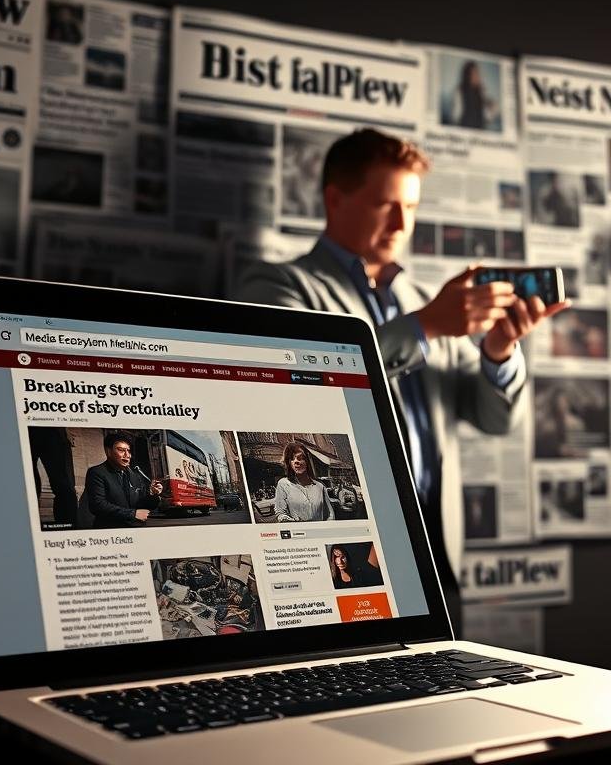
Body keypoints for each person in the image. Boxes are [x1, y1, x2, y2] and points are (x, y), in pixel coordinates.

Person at [232, 128, 567, 629]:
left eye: (410, 206)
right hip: (346, 538)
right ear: (335, 199)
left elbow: (494, 421)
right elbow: (292, 386)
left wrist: (499, 350)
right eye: (384, 204)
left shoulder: (428, 298)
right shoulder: (279, 284)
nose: (401, 222)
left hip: (436, 544)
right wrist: (427, 325)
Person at [82, 432, 163, 529]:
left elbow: (142, 503)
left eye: (128, 451)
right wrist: (133, 514)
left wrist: (154, 495)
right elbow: (98, 505)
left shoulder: (135, 476)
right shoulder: (97, 472)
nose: (127, 455)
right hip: (111, 531)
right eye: (121, 450)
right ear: (108, 451)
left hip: (136, 529)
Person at [273, 442, 336, 522]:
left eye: (300, 458)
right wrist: (285, 519)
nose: (296, 462)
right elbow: (280, 513)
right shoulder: (283, 484)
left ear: (307, 461)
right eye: (292, 459)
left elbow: (330, 515)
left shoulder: (320, 486)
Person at [450, 60, 498, 130]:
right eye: (473, 73)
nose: (476, 76)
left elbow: (487, 117)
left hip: (480, 132)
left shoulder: (482, 92)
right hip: (464, 130)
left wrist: (493, 108)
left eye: (477, 73)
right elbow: (455, 117)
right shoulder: (459, 91)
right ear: (467, 75)